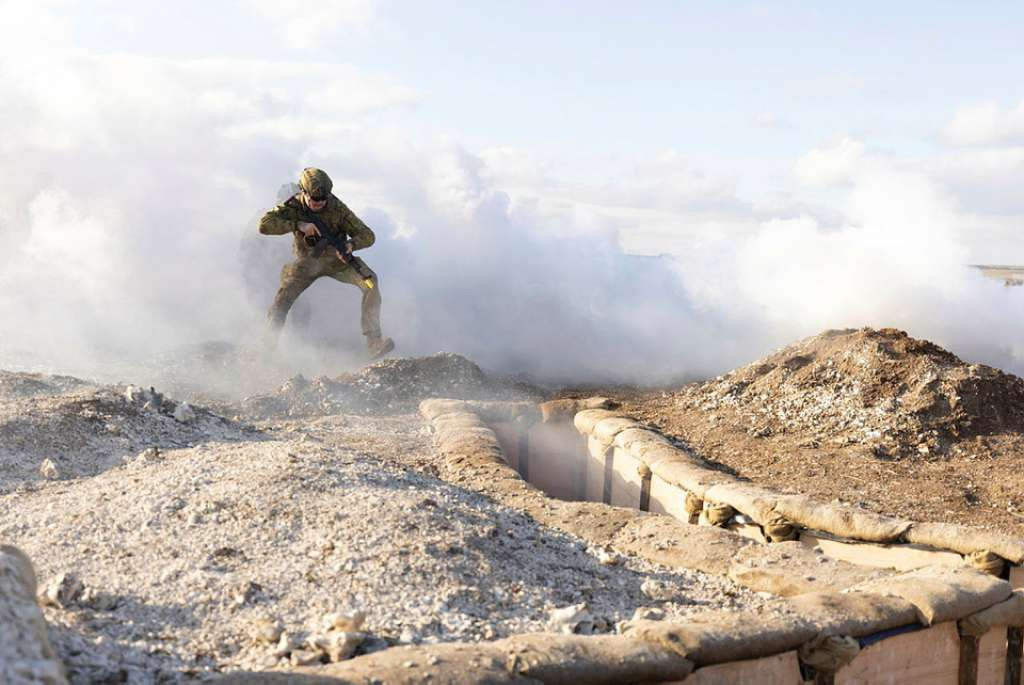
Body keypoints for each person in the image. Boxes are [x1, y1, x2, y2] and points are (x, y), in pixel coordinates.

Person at [258, 167, 394, 359]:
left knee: (370, 282)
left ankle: (374, 342)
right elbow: (264, 225)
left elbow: (368, 235)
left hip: (338, 262)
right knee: (283, 298)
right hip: (306, 263)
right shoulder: (293, 206)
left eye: (323, 200)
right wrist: (298, 225)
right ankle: (265, 348)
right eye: (314, 200)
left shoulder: (337, 208)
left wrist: (351, 245)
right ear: (303, 193)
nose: (319, 204)